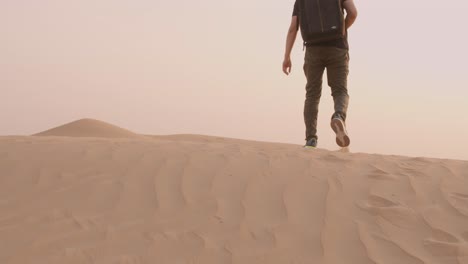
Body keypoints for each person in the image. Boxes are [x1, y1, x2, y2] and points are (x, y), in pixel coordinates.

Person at [282, 0, 358, 148]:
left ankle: (311, 139)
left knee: (312, 95)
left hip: (313, 49)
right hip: (337, 47)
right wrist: (342, 30)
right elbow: (353, 13)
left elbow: (293, 28)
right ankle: (338, 115)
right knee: (340, 91)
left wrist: (287, 56)